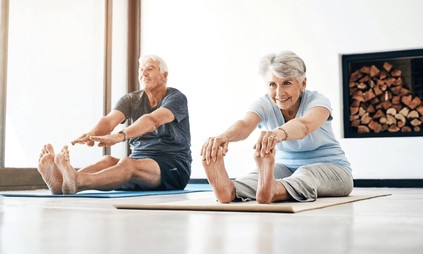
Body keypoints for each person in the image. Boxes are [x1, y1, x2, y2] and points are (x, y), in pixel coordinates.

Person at [201, 51, 353, 204]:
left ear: (303, 84)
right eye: (272, 85)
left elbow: (304, 126)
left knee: (305, 174)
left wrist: (279, 133)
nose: (279, 92)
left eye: (287, 83)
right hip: (284, 167)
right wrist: (223, 137)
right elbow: (245, 124)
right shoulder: (264, 103)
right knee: (257, 177)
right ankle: (230, 190)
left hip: (333, 169)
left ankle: (273, 189)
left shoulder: (318, 101)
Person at [37, 54, 192, 194]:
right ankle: (62, 183)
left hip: (172, 167)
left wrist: (121, 136)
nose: (143, 73)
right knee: (108, 161)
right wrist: (92, 134)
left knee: (128, 164)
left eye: (150, 69)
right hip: (138, 162)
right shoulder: (131, 99)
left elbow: (152, 121)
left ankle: (77, 181)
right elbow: (109, 120)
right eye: (141, 70)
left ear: (164, 75)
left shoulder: (176, 98)